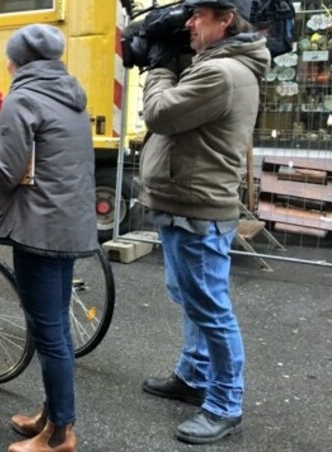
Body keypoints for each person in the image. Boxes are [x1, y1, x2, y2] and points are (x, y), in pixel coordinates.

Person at [0, 24, 98, 452]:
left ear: (19, 60)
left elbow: (3, 175)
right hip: (67, 224)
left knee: (48, 332)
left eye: (9, 57)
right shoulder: (71, 97)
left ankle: (61, 434)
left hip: (38, 230)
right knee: (57, 329)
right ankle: (52, 414)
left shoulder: (22, 98)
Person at [137, 0, 268, 445]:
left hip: (197, 209)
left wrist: (158, 66)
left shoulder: (222, 73)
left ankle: (225, 405)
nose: (189, 22)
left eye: (198, 15)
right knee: (191, 297)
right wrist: (174, 58)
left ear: (226, 19)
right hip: (185, 203)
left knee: (211, 310)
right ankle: (193, 376)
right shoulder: (215, 65)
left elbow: (159, 113)